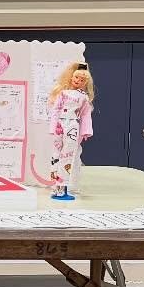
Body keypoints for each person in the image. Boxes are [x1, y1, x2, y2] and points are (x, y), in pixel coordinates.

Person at [47, 61, 95, 201]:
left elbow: (85, 115)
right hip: (61, 124)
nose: (78, 81)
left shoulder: (84, 98)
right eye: (76, 78)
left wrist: (85, 131)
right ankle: (56, 186)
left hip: (73, 125)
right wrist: (53, 126)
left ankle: (63, 187)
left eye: (82, 80)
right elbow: (55, 109)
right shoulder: (62, 93)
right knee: (56, 154)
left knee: (68, 155)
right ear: (71, 78)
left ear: (85, 82)